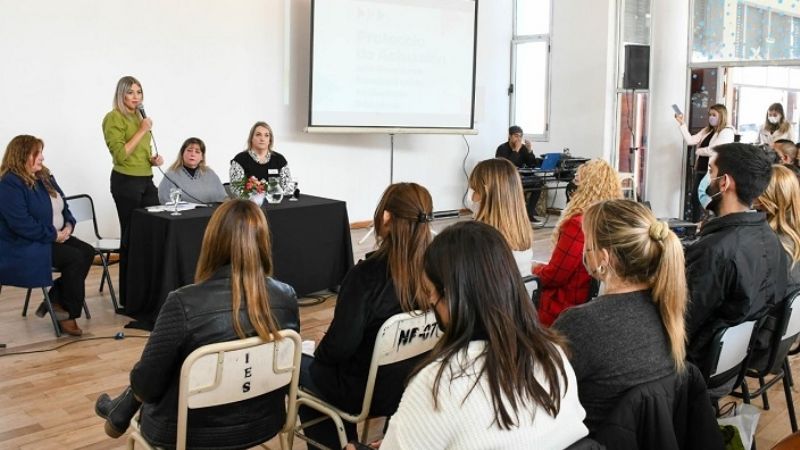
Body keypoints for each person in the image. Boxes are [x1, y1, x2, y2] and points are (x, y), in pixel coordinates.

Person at [94, 200, 299, 448]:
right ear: (263, 241)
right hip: (263, 422)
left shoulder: (183, 302)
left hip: (190, 432)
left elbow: (146, 384)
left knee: (155, 373)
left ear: (212, 240)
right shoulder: (286, 296)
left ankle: (120, 410)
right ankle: (120, 409)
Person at [376, 221, 588, 449]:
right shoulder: (554, 356)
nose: (429, 301)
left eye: (430, 292)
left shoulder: (437, 384)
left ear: (453, 297)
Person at [298, 183, 433, 449]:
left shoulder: (366, 276)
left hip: (362, 392)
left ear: (385, 218)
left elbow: (337, 350)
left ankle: (341, 443)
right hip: (411, 388)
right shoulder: (437, 273)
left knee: (296, 365)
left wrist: (320, 345)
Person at [552, 199, 688, 432]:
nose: (584, 250)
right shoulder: (667, 307)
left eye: (588, 244)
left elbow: (543, 397)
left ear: (604, 258)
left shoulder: (581, 324)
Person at [684, 143, 786, 370]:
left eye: (710, 171)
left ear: (724, 182)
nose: (706, 180)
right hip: (735, 362)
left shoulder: (714, 250)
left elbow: (681, 323)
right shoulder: (769, 236)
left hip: (699, 363)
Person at [0, 135, 95, 336]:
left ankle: (56, 299)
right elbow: (21, 224)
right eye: (37, 153)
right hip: (27, 243)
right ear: (22, 155)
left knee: (87, 251)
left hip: (55, 235)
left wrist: (69, 224)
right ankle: (68, 315)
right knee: (74, 258)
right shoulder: (9, 183)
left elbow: (64, 205)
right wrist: (53, 235)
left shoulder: (44, 176)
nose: (42, 158)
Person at [532, 159, 622, 327]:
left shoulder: (578, 224)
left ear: (586, 188)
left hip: (564, 304)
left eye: (576, 181)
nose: (572, 189)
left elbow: (554, 277)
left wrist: (534, 268)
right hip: (590, 299)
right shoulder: (612, 220)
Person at [102, 76, 163, 307]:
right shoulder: (113, 118)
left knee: (153, 231)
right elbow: (120, 154)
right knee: (131, 237)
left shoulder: (140, 117)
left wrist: (153, 159)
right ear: (121, 95)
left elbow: (138, 151)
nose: (136, 97)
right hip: (125, 182)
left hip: (146, 178)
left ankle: (150, 289)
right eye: (131, 92)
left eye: (139, 92)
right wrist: (142, 129)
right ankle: (130, 296)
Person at [468, 158, 534, 275]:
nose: (471, 196)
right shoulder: (523, 236)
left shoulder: (479, 242)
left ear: (486, 192)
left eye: (474, 190)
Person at [675, 104, 735, 222]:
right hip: (701, 168)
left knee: (707, 198)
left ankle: (706, 224)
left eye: (714, 115)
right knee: (695, 198)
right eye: (710, 115)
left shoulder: (727, 131)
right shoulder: (708, 130)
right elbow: (691, 140)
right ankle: (696, 225)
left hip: (713, 171)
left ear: (721, 116)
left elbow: (713, 150)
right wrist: (682, 123)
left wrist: (698, 151)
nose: (711, 117)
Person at [495, 125, 544, 225]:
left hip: (520, 177)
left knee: (538, 184)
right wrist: (515, 151)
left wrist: (529, 150)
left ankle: (529, 214)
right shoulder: (502, 148)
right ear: (509, 136)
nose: (519, 139)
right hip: (506, 179)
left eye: (520, 136)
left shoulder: (523, 148)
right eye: (516, 136)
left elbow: (532, 164)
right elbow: (506, 166)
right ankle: (512, 216)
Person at [157, 137, 228, 204]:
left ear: (202, 157)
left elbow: (223, 198)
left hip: (211, 214)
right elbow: (165, 200)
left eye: (197, 152)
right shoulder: (171, 175)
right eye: (189, 151)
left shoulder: (210, 173)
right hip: (184, 215)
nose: (192, 154)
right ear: (182, 154)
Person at [229, 121, 291, 197]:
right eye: (258, 135)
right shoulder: (240, 160)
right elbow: (236, 189)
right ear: (251, 138)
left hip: (276, 204)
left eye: (266, 135)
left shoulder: (280, 160)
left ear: (270, 140)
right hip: (250, 206)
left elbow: (288, 188)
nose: (262, 139)